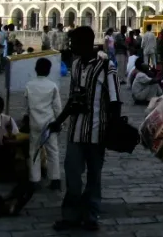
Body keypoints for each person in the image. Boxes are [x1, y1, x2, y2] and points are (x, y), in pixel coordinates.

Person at [49, 26, 121, 231]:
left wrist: (113, 128)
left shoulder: (106, 67)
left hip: (98, 131)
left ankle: (90, 215)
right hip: (76, 131)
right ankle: (70, 215)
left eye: (74, 43)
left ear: (85, 43)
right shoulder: (77, 65)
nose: (71, 47)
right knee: (72, 173)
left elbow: (115, 100)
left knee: (94, 177)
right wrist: (59, 120)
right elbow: (73, 98)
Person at [24, 57, 61, 189]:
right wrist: (59, 122)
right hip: (49, 123)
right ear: (49, 71)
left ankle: (34, 179)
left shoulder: (29, 85)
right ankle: (55, 178)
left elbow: (27, 107)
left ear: (35, 69)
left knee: (34, 151)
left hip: (34, 123)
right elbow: (57, 107)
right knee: (53, 151)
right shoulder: (52, 86)